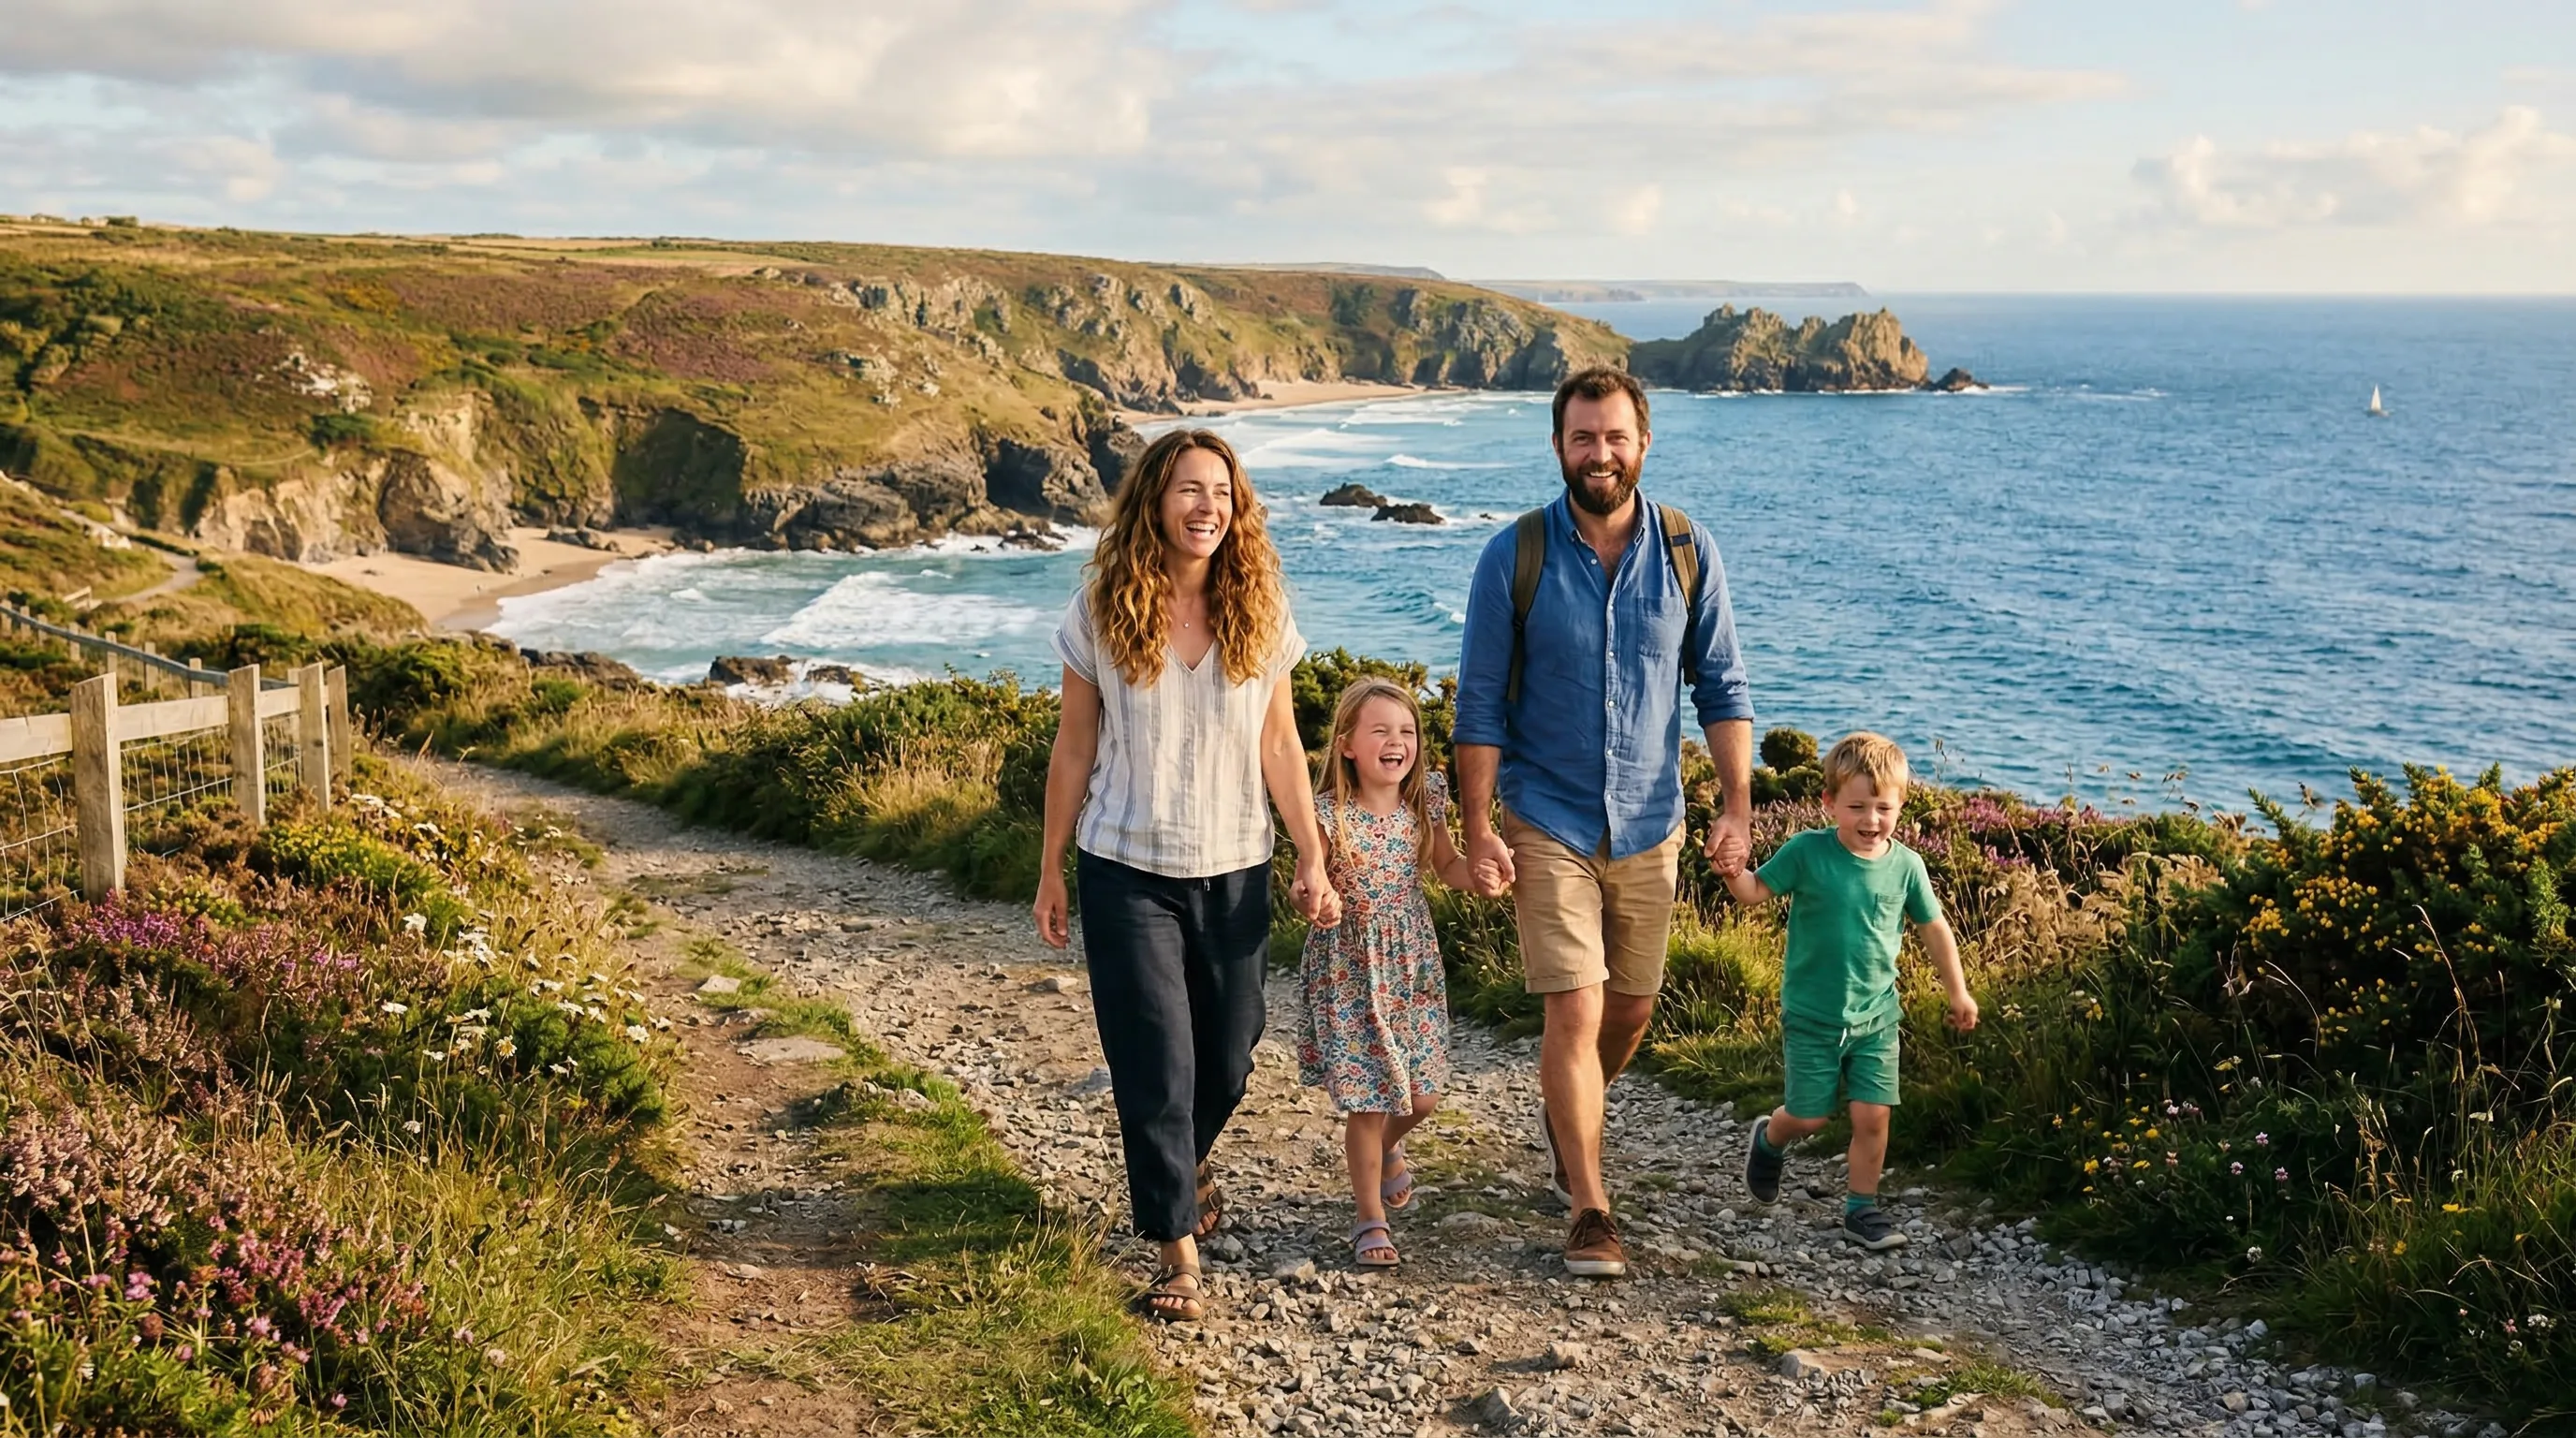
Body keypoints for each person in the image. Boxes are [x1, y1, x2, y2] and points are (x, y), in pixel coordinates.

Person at [1033, 428, 1342, 1324]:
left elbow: (1280, 744)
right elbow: (1074, 748)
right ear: (1154, 502)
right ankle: (1177, 1253)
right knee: (1156, 1064)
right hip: (1125, 868)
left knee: (1232, 1055)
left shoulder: (1261, 611)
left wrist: (1312, 854)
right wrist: (1051, 868)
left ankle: (1178, 1164)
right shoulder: (1101, 610)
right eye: (1188, 489)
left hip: (1236, 867)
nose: (1207, 507)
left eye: (1221, 492)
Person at [1453, 365, 1755, 1279]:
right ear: (1558, 445)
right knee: (1576, 1006)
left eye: (1615, 436)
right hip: (1545, 816)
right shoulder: (1513, 556)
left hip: (1652, 823)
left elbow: (1722, 688)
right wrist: (1478, 827)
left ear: (1643, 443)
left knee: (1630, 1009)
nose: (1600, 453)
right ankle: (1590, 1205)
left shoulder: (1688, 550)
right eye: (1583, 437)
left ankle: (1566, 1116)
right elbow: (1477, 705)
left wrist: (1737, 805)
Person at [1720, 732, 1978, 1251]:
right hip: (1812, 1015)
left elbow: (1934, 929)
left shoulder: (1907, 866)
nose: (1871, 819)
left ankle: (1862, 1210)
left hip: (1877, 1017)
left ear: (1901, 806)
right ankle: (1770, 1139)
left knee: (1872, 1116)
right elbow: (1754, 892)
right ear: (1829, 802)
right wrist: (1731, 870)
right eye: (1857, 807)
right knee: (1809, 1117)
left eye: (1884, 808)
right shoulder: (1807, 852)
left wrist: (1959, 992)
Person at [1296, 677, 1482, 1270]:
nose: (1396, 741)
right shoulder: (1327, 814)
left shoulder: (1425, 800)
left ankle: (1386, 1150)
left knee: (1422, 1095)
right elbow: (1306, 883)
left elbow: (1447, 865)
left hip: (1412, 963)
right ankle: (1368, 1217)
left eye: (1406, 731)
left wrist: (1480, 875)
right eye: (1380, 731)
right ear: (1348, 745)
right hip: (1350, 968)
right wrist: (1316, 900)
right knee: (1370, 1099)